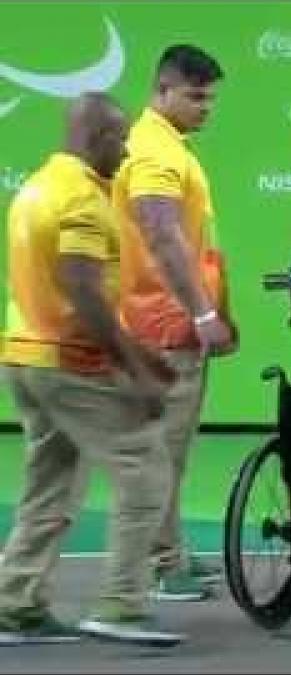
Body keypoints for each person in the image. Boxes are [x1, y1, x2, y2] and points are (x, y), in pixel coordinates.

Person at [0, 92, 184, 646]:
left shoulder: (34, 188)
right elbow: (82, 287)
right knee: (145, 467)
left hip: (24, 357)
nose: (127, 152)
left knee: (50, 485)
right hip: (69, 362)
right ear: (100, 138)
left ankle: (16, 603)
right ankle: (121, 605)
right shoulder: (82, 198)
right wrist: (137, 368)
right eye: (122, 140)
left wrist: (137, 353)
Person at [113, 44, 235, 602]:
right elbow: (161, 235)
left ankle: (170, 551)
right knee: (159, 451)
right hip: (161, 325)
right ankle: (161, 567)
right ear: (162, 90)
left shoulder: (170, 145)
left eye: (211, 99)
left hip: (172, 323)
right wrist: (204, 312)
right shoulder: (154, 152)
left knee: (171, 451)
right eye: (195, 97)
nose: (206, 107)